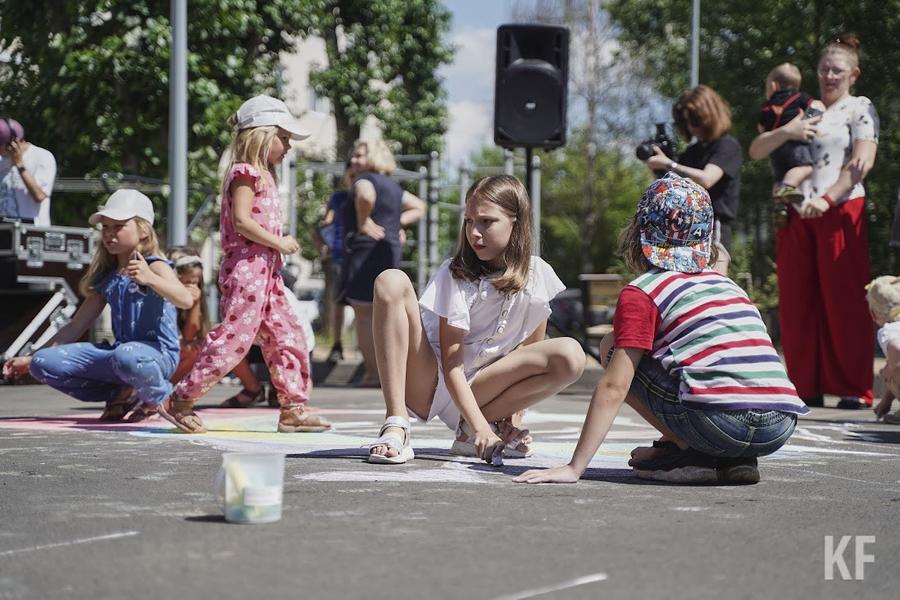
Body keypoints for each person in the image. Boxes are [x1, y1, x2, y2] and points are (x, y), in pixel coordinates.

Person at [514, 175, 809, 485]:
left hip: (720, 424)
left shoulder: (644, 290)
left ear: (640, 230)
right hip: (779, 425)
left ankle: (695, 451)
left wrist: (574, 468)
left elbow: (614, 386)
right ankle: (726, 457)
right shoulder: (728, 285)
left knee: (612, 348)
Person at [367, 175, 586, 464]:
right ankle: (397, 423)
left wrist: (512, 420)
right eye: (469, 221)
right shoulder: (456, 274)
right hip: (432, 383)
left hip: (483, 391)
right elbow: (452, 365)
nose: (474, 232)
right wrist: (484, 430)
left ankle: (470, 430)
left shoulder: (537, 275)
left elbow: (528, 354)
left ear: (516, 222)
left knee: (570, 354)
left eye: (486, 221)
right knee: (390, 280)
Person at [163, 95, 331, 434]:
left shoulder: (266, 175)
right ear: (261, 134)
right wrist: (280, 241)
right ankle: (180, 400)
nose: (288, 147)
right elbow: (241, 222)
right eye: (283, 138)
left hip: (267, 273)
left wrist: (276, 247)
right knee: (234, 339)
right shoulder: (245, 173)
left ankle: (293, 407)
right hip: (247, 270)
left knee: (289, 334)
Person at [749, 34, 879, 409]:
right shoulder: (805, 107)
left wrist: (826, 198)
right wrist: (786, 132)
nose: (829, 75)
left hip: (839, 209)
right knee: (796, 302)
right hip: (794, 212)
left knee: (843, 301)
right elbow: (757, 150)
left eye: (837, 70)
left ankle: (855, 387)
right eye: (823, 69)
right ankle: (803, 384)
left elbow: (862, 161)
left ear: (853, 73)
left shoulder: (860, 108)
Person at [1, 189, 193, 421]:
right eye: (106, 227)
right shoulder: (108, 277)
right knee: (43, 362)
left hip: (157, 357)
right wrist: (31, 358)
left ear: (143, 231)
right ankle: (120, 393)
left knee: (127, 355)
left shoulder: (155, 266)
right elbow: (75, 326)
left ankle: (162, 398)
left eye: (118, 226)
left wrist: (151, 279)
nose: (109, 234)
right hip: (122, 355)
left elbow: (185, 299)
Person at [337, 139, 426, 387]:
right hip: (388, 252)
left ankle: (374, 374)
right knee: (389, 312)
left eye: (359, 155)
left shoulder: (363, 181)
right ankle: (398, 372)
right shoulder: (394, 187)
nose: (354, 160)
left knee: (364, 314)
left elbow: (365, 195)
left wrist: (363, 220)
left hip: (365, 252)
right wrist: (397, 225)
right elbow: (419, 207)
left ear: (374, 156)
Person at [642, 85, 742, 275]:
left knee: (714, 279)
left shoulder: (727, 146)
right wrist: (658, 168)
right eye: (685, 122)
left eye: (694, 120)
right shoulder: (692, 152)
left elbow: (707, 179)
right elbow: (670, 188)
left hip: (714, 223)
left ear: (709, 115)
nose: (690, 127)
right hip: (683, 225)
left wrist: (669, 164)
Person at [167, 247, 265, 407]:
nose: (190, 286)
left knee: (222, 341)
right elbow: (185, 337)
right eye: (185, 281)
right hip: (166, 350)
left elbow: (191, 333)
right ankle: (163, 392)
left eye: (194, 282)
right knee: (193, 350)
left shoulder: (198, 297)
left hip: (183, 351)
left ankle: (253, 388)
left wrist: (195, 303)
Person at [758, 63, 825, 218]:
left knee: (779, 176)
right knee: (806, 168)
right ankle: (787, 187)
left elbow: (761, 128)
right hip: (795, 146)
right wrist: (808, 121)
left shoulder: (767, 107)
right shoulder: (799, 97)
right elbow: (816, 106)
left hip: (775, 149)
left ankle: (780, 205)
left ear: (773, 86)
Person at [313, 161, 352, 363]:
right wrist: (322, 244)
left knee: (368, 307)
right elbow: (325, 223)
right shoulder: (339, 198)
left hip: (363, 255)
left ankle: (368, 348)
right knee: (339, 302)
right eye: (350, 175)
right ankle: (337, 344)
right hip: (340, 254)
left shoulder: (372, 196)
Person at [0, 117, 57, 226]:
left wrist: (19, 164)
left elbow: (39, 195)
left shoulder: (42, 157)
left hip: (31, 235)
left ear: (13, 144)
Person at [865, 276, 900, 424]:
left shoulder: (890, 329)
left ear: (874, 314)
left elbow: (897, 348)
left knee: (887, 370)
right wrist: (886, 400)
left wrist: (889, 369)